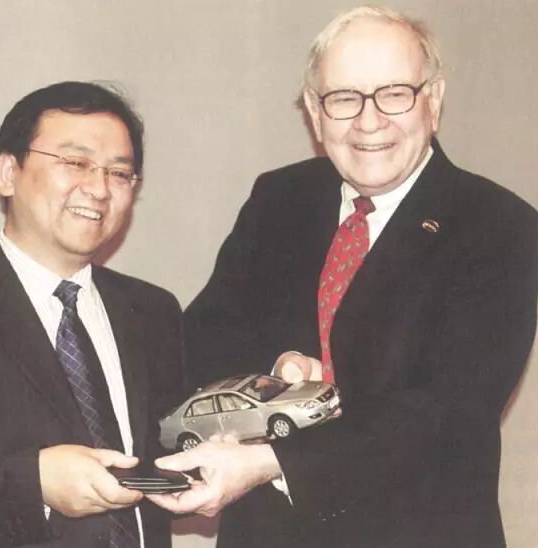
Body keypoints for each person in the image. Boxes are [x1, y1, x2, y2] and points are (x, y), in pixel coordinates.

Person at [147, 6, 538, 548]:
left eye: (394, 93)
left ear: (434, 99)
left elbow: (448, 412)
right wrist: (277, 372)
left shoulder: (501, 226)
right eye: (344, 98)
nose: (368, 121)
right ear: (314, 110)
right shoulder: (278, 198)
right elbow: (205, 340)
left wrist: (273, 461)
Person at [0, 81, 184, 547]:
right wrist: (33, 484)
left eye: (119, 173)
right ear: (8, 173)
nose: (99, 189)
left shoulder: (153, 311)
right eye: (75, 163)